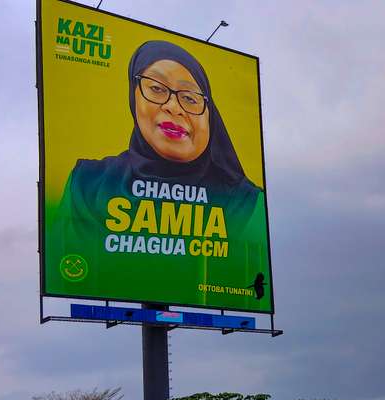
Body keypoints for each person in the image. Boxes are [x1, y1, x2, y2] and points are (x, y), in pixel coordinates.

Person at [51, 40, 269, 303]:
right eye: (156, 88)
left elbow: (246, 286)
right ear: (133, 95)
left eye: (189, 98)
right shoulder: (87, 185)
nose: (173, 107)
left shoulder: (246, 202)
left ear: (209, 115)